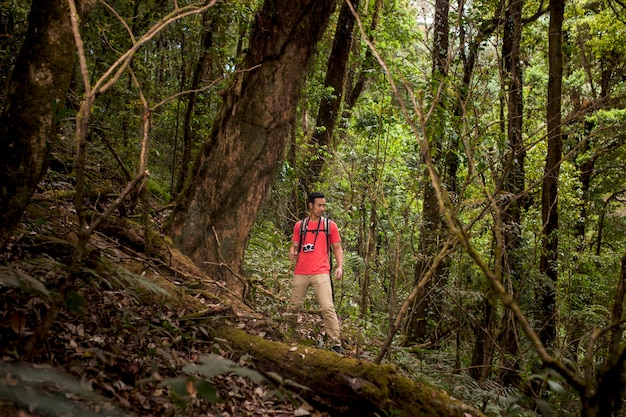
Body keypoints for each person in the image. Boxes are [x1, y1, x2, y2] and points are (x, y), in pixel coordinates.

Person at [288, 192, 344, 353]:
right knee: (293, 307)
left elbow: (337, 248)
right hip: (301, 271)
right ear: (311, 205)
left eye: (324, 205)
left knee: (327, 307)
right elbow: (294, 245)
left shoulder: (329, 226)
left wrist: (340, 266)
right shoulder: (300, 226)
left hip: (321, 271)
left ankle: (335, 343)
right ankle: (289, 336)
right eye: (319, 205)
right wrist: (292, 252)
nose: (322, 208)